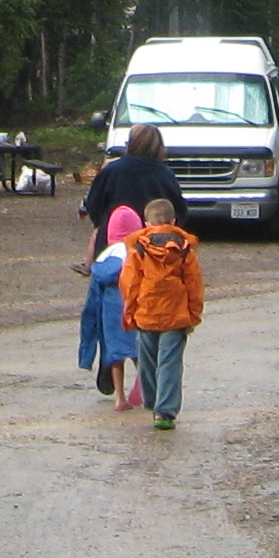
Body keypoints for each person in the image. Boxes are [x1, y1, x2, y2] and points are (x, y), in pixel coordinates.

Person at [120, 196, 204, 433]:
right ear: (174, 221)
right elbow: (194, 284)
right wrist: (193, 315)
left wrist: (129, 313)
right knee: (169, 362)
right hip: (176, 315)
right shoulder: (184, 250)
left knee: (147, 361)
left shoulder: (138, 249)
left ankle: (151, 399)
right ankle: (164, 411)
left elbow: (129, 283)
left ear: (146, 224)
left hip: (146, 313)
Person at [75, 205, 148, 411]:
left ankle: (120, 398)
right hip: (134, 308)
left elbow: (92, 301)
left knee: (115, 355)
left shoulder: (104, 258)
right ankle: (143, 386)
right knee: (139, 352)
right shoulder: (139, 252)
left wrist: (87, 344)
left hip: (110, 311)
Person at [80, 123, 186, 261]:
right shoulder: (165, 174)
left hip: (113, 242)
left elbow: (94, 203)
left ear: (130, 143)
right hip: (155, 246)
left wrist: (104, 223)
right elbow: (179, 209)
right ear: (159, 147)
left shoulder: (112, 170)